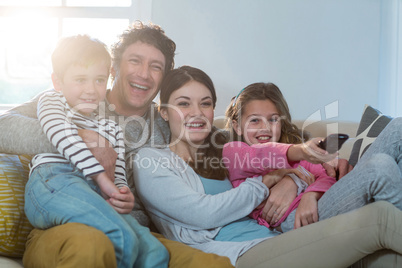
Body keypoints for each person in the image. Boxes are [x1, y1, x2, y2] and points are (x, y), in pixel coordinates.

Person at [0, 22, 233, 268]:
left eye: (155, 67)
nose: (143, 74)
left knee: (212, 265)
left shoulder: (168, 119)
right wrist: (80, 136)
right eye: (135, 61)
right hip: (64, 226)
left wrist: (279, 172)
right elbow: (3, 127)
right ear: (114, 67)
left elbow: (233, 140)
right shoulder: (76, 96)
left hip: (135, 231)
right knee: (90, 248)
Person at [133, 65, 402, 267]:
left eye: (205, 104)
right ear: (163, 111)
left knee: (392, 141)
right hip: (243, 251)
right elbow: (203, 214)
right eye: (183, 103)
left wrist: (294, 181)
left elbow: (269, 157)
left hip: (277, 234)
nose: (196, 112)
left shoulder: (224, 147)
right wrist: (266, 182)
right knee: (379, 199)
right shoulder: (151, 161)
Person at [24, 34, 169, 268]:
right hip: (54, 182)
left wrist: (121, 195)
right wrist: (101, 177)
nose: (91, 90)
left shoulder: (111, 127)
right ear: (58, 81)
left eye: (99, 80)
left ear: (108, 75)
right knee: (121, 237)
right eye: (80, 79)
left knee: (155, 251)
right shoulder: (53, 101)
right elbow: (62, 136)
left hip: (91, 190)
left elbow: (116, 169)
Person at [223, 82, 337, 230]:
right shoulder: (233, 152)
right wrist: (298, 154)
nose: (265, 127)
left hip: (312, 207)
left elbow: (326, 175)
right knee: (372, 170)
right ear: (237, 126)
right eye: (255, 120)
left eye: (273, 119)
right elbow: (259, 155)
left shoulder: (295, 154)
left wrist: (311, 195)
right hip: (289, 220)